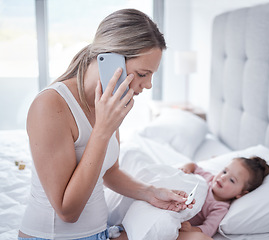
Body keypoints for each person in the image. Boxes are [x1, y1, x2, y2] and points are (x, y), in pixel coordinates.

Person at [18, 9, 197, 240]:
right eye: (143, 73)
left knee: (195, 235)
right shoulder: (50, 105)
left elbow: (109, 172)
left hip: (99, 233)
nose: (149, 85)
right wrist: (102, 129)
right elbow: (67, 211)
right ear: (111, 60)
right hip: (52, 237)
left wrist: (151, 193)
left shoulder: (109, 102)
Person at [177, 156, 269, 239]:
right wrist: (186, 168)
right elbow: (194, 166)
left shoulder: (219, 208)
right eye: (224, 171)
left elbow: (209, 229)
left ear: (241, 194)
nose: (223, 177)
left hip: (177, 216)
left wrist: (192, 229)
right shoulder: (209, 178)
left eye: (232, 180)